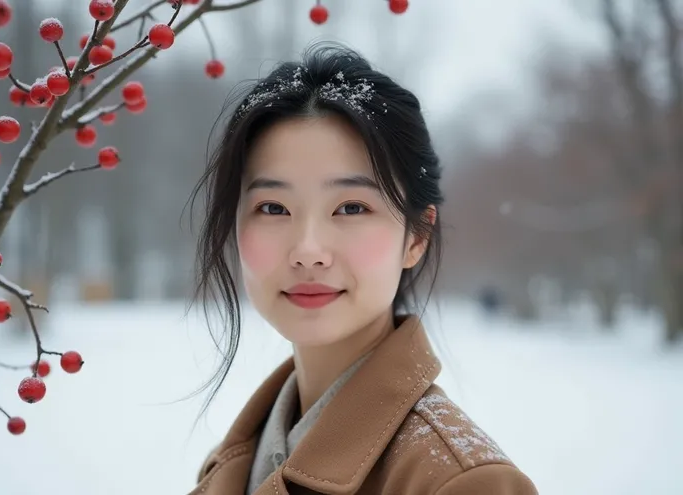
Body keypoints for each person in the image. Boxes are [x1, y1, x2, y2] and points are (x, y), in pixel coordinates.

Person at [186, 43, 538, 495]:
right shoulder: (234, 463)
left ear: (416, 237)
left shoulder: (458, 482)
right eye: (273, 207)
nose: (308, 251)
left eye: (351, 207)